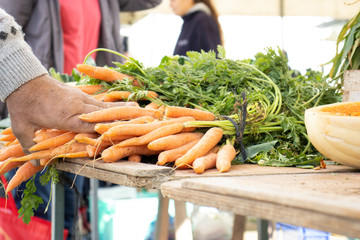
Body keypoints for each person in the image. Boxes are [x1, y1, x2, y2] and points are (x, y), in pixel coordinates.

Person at [0, 1, 162, 238]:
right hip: (42, 117)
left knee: (71, 215)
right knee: (39, 220)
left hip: (84, 114)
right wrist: (22, 89)